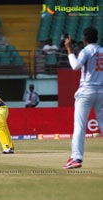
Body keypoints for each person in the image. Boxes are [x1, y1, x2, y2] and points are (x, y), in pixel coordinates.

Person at [63, 27, 103, 169]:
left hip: (86, 91)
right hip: (101, 91)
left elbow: (75, 66)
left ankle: (76, 158)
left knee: (80, 126)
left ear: (85, 39)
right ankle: (75, 158)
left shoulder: (86, 51)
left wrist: (69, 49)